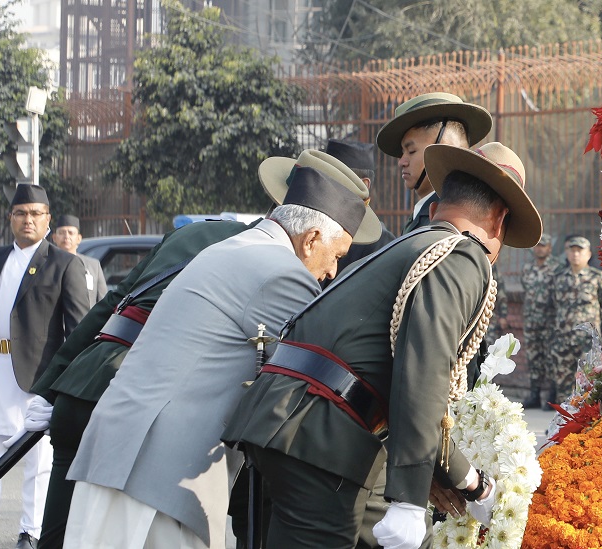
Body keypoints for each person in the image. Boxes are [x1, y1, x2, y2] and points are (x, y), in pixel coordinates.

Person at [26, 149, 375, 549]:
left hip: (120, 457)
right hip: (159, 479)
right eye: (337, 256)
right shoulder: (285, 274)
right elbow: (317, 375)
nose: (332, 272)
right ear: (312, 239)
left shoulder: (229, 248)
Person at [222, 141, 543, 548]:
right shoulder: (462, 255)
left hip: (290, 426)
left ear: (434, 209)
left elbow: (406, 394)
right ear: (498, 222)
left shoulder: (406, 246)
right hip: (322, 442)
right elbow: (423, 369)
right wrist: (409, 501)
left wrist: (473, 483)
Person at [0, 184, 93, 549]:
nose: (28, 220)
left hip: (39, 378)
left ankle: (32, 532)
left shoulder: (64, 264)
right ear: (11, 218)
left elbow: (78, 330)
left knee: (38, 460)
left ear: (48, 220)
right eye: (21, 213)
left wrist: (69, 381)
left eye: (35, 214)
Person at [374, 92, 493, 234]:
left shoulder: (448, 219)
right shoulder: (423, 214)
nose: (402, 162)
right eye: (402, 153)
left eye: (411, 151)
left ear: (443, 150)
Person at [323, 138, 395, 284]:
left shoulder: (380, 243)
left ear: (363, 185)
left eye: (334, 179)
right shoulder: (317, 226)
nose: (324, 185)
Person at [545, 236, 602, 404]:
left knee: (589, 384)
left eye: (580, 251)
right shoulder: (558, 278)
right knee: (563, 384)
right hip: (563, 340)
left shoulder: (597, 277)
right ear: (566, 253)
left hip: (587, 342)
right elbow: (551, 306)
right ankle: (562, 421)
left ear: (588, 254)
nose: (575, 254)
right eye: (572, 250)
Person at [520, 232, 561, 409]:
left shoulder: (558, 268)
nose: (540, 249)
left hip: (550, 321)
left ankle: (552, 396)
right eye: (537, 245)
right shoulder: (527, 268)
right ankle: (534, 395)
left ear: (549, 248)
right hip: (531, 321)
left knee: (551, 358)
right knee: (534, 358)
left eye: (543, 245)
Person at [51, 215, 107, 303]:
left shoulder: (93, 266)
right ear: (54, 237)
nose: (66, 236)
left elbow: (103, 301)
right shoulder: (47, 264)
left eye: (71, 233)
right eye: (62, 232)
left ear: (79, 238)